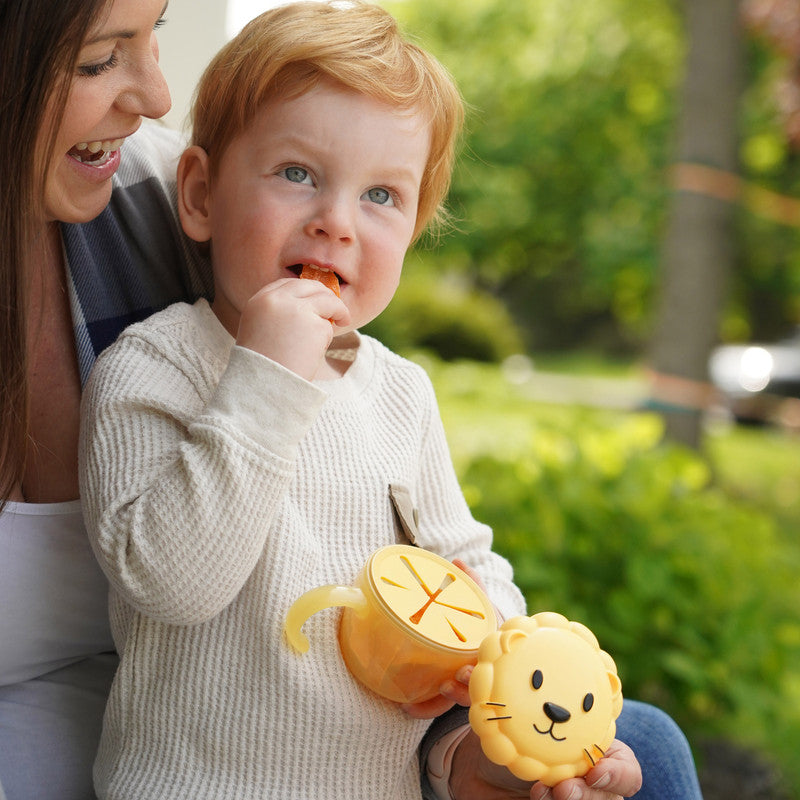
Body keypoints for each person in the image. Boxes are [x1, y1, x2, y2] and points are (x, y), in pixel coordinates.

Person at [79, 3, 700, 800]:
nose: (336, 222)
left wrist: (510, 702)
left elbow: (466, 566)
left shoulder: (400, 395)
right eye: (297, 173)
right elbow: (168, 583)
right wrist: (268, 379)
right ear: (199, 195)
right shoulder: (154, 369)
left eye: (381, 197)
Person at [0, 1, 211, 798]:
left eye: (152, 32)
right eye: (99, 60)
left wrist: (449, 745)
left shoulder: (168, 202)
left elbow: (361, 478)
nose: (157, 95)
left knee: (632, 743)